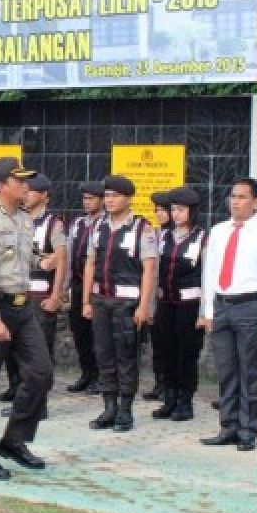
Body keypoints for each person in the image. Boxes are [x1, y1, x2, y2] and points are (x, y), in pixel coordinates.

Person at [0, 157, 55, 480]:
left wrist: (42, 259)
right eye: (19, 181)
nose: (26, 185)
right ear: (2, 186)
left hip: (22, 307)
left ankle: (14, 441)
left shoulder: (24, 219)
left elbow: (18, 255)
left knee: (41, 373)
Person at [199, 177, 257, 452]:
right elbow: (210, 272)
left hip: (250, 305)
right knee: (226, 369)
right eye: (233, 196)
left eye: (242, 197)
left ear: (256, 202)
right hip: (222, 304)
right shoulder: (219, 231)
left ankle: (248, 428)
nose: (236, 202)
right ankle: (228, 426)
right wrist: (209, 309)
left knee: (249, 370)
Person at [81, 175, 158, 433]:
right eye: (107, 196)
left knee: (126, 356)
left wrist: (144, 306)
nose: (110, 201)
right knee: (103, 354)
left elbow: (149, 269)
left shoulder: (142, 228)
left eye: (115, 196)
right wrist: (86, 300)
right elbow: (91, 263)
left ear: (128, 198)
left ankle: (125, 410)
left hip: (127, 303)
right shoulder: (98, 227)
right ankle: (109, 407)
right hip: (101, 300)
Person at [150, 187, 207, 421]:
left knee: (187, 353)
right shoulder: (162, 236)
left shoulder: (202, 238)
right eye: (173, 209)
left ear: (192, 212)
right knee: (165, 351)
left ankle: (186, 401)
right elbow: (153, 274)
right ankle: (169, 398)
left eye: (181, 210)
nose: (176, 214)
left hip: (189, 306)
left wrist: (205, 311)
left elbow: (207, 276)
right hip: (165, 303)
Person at [65, 181, 104, 393]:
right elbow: (70, 254)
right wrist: (65, 285)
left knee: (97, 334)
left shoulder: (105, 223)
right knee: (79, 332)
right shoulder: (78, 223)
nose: (86, 202)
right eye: (84, 199)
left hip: (98, 286)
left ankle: (100, 376)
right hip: (78, 284)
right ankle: (86, 373)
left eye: (91, 199)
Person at [24, 173, 66, 366]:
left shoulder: (53, 223)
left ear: (44, 196)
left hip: (40, 293)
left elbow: (61, 260)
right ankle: (17, 385)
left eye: (30, 192)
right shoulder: (16, 219)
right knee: (16, 343)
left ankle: (41, 384)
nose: (25, 195)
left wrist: (55, 296)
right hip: (16, 290)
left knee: (40, 344)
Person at [144, 191, 173, 401]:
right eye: (157, 210)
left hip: (171, 296)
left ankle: (170, 386)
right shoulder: (154, 234)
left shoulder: (175, 235)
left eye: (163, 210)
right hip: (155, 296)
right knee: (158, 344)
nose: (159, 214)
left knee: (169, 344)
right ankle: (160, 383)